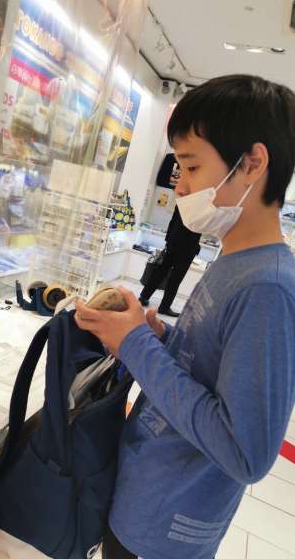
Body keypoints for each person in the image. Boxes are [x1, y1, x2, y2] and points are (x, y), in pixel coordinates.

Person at [75, 74, 295, 559]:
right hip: (144, 493)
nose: (182, 187)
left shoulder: (269, 289)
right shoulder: (236, 259)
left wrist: (137, 345)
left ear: (252, 163)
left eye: (192, 166)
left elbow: (247, 453)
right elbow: (210, 368)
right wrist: (159, 337)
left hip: (165, 530)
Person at [139, 205, 201, 316]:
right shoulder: (202, 207)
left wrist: (168, 240)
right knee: (175, 279)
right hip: (188, 248)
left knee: (160, 272)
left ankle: (143, 297)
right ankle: (164, 307)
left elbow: (172, 221)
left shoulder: (183, 202)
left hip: (173, 243)